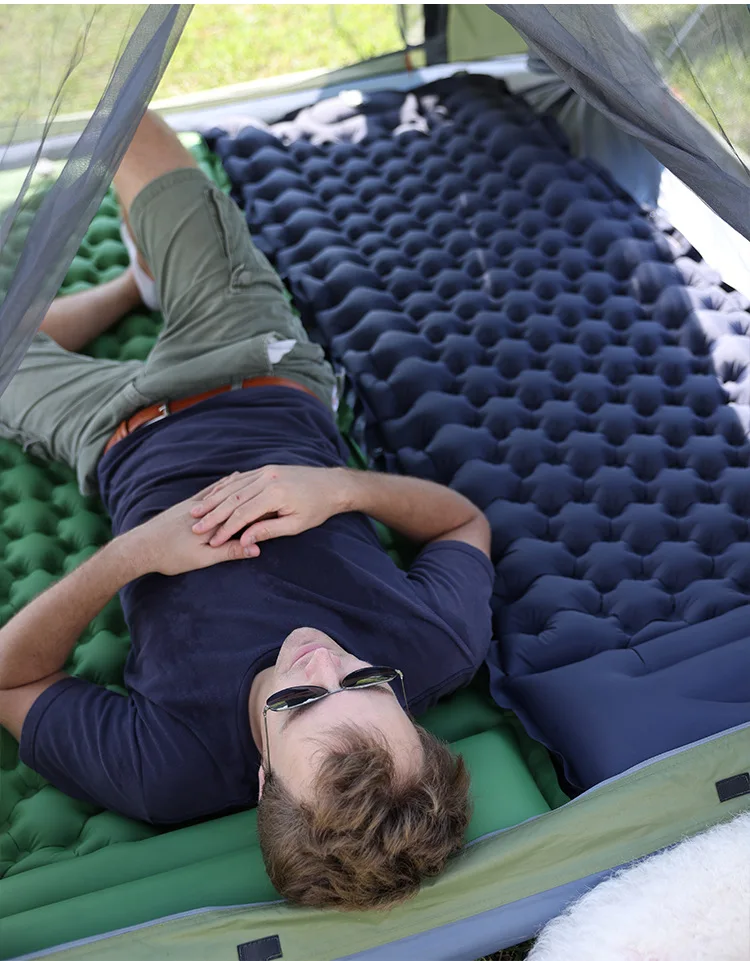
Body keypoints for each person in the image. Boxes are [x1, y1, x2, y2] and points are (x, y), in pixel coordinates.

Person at [0, 111, 494, 910]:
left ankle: (128, 290)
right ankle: (143, 286)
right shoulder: (435, 646)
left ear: (264, 778)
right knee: (127, 118)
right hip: (250, 364)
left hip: (108, 433)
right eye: (366, 681)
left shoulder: (168, 767)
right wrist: (342, 488)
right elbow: (463, 522)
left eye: (298, 702)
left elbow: (10, 678)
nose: (320, 659)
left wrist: (135, 553)